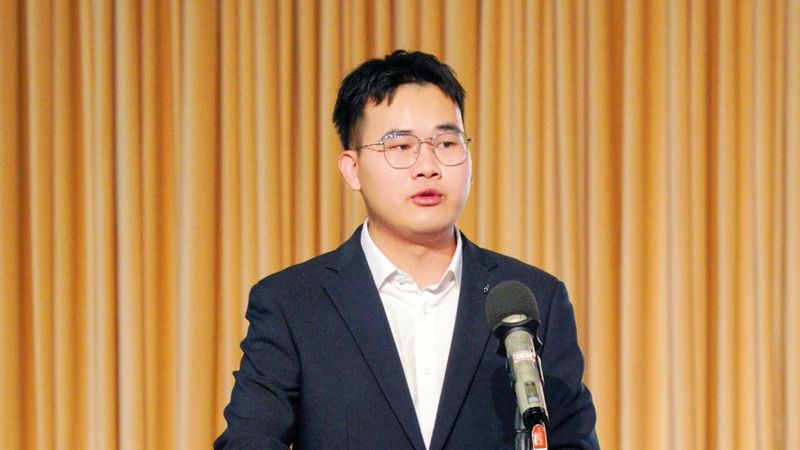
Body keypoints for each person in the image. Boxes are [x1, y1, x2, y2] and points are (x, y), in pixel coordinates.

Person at [215, 50, 599, 449]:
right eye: (400, 147)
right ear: (352, 169)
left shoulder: (532, 300)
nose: (427, 166)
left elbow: (573, 441)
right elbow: (248, 441)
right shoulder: (293, 304)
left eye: (446, 142)